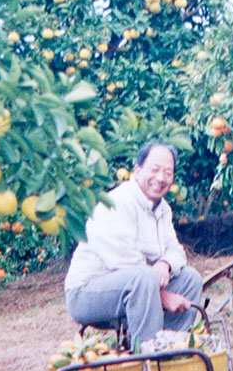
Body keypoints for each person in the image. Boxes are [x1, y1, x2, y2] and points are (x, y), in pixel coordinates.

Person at [64, 141, 202, 345]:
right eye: (154, 170)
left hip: (135, 286)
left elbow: (176, 251)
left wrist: (165, 264)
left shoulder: (163, 209)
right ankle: (148, 360)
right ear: (137, 170)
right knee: (144, 277)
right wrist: (163, 296)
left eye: (168, 172)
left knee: (190, 278)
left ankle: (170, 350)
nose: (161, 178)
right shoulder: (117, 202)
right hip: (87, 292)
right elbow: (125, 263)